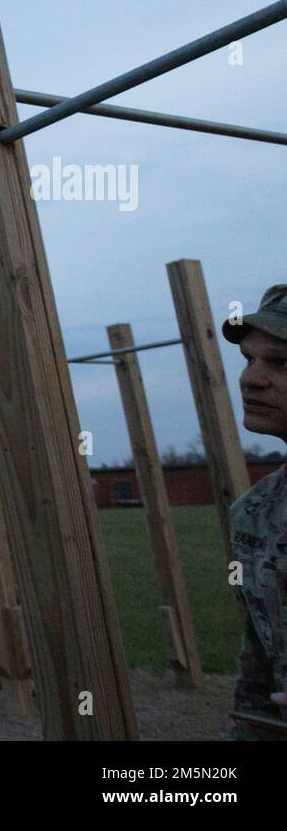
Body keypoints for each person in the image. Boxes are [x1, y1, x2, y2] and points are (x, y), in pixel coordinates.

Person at [221, 284, 287, 740]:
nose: (250, 379)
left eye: (282, 363)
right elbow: (261, 671)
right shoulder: (256, 511)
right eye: (249, 359)